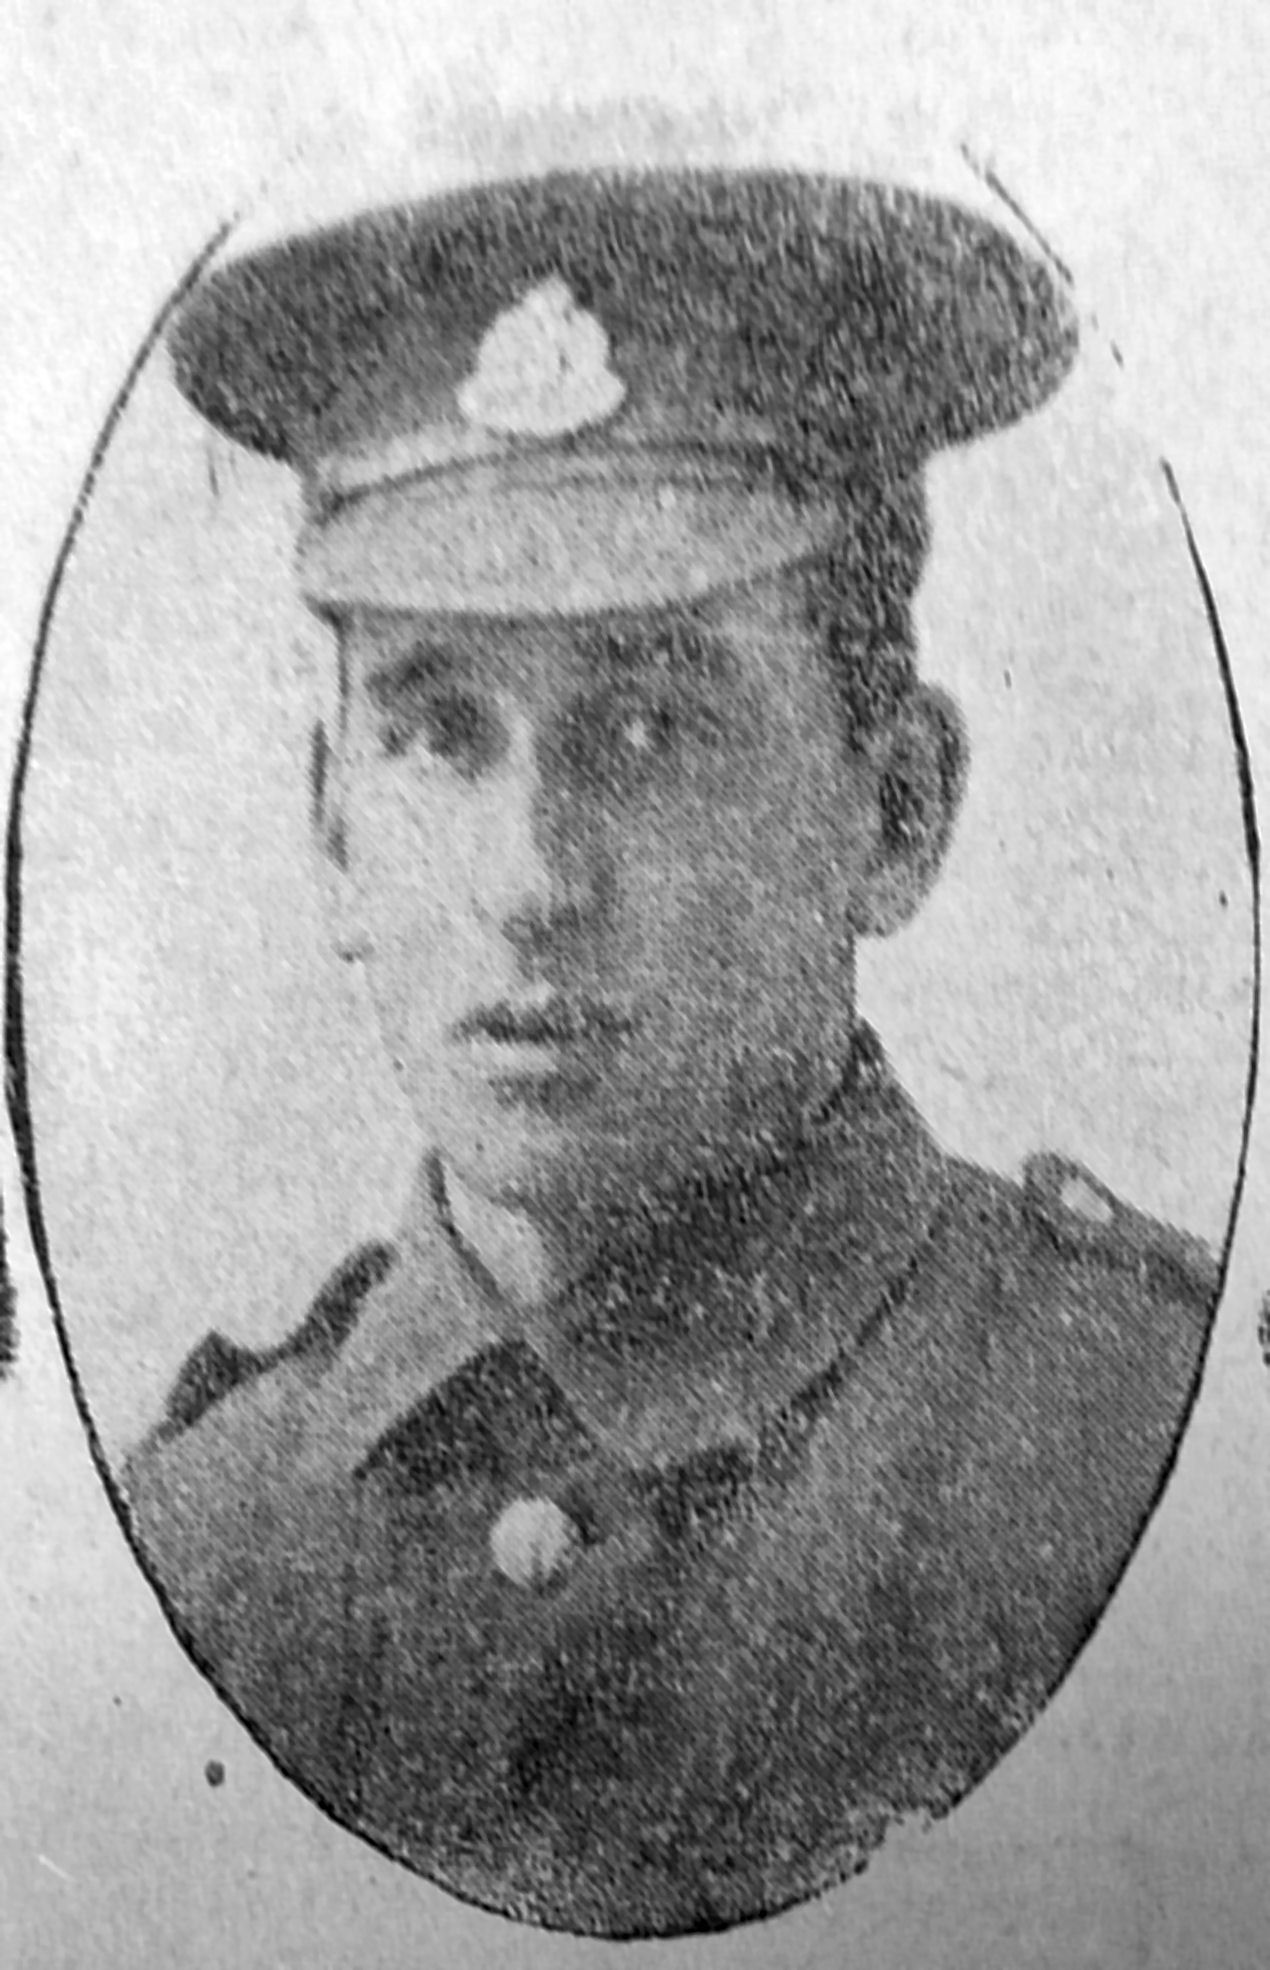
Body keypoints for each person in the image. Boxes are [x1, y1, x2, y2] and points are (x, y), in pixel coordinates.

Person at [122, 168, 1218, 1937]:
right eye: (437, 732)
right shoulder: (197, 1536)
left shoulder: (1152, 1447)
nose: (529, 880)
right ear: (330, 830)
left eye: (648, 726)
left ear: (894, 810)